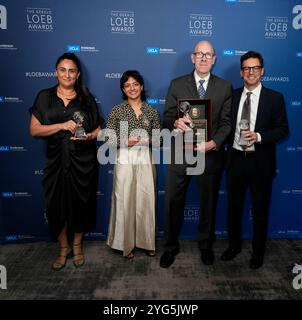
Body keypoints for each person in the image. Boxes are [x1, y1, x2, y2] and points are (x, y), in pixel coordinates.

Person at [160, 40, 232, 268]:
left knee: (208, 203)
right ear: (192, 58)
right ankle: (170, 246)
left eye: (208, 54)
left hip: (209, 154)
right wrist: (175, 122)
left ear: (214, 59)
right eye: (199, 54)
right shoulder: (177, 84)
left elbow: (226, 123)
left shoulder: (224, 87)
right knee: (172, 202)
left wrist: (214, 143)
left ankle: (205, 245)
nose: (203, 58)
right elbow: (167, 117)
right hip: (180, 153)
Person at [29, 53, 103, 270]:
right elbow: (34, 129)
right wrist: (61, 125)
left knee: (81, 204)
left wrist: (89, 136)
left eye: (72, 70)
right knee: (56, 206)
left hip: (83, 160)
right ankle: (63, 248)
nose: (67, 74)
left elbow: (98, 129)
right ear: (56, 72)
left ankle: (77, 245)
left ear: (78, 74)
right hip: (56, 161)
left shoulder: (87, 98)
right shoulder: (44, 97)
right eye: (63, 69)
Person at [221, 51, 289, 269]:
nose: (251, 72)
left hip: (260, 162)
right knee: (234, 208)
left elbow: (282, 130)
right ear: (241, 72)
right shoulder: (231, 96)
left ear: (262, 71)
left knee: (260, 210)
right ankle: (234, 246)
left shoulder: (275, 98)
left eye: (255, 68)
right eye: (247, 68)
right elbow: (223, 126)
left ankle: (258, 252)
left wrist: (259, 136)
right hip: (235, 160)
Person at [106, 70, 161, 259]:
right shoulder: (117, 110)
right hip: (125, 158)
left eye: (135, 84)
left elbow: (160, 139)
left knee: (146, 199)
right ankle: (124, 244)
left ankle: (147, 242)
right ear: (123, 89)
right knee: (124, 199)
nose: (132, 88)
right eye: (127, 85)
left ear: (142, 86)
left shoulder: (151, 111)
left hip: (145, 158)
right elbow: (107, 137)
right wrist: (125, 141)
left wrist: (149, 139)